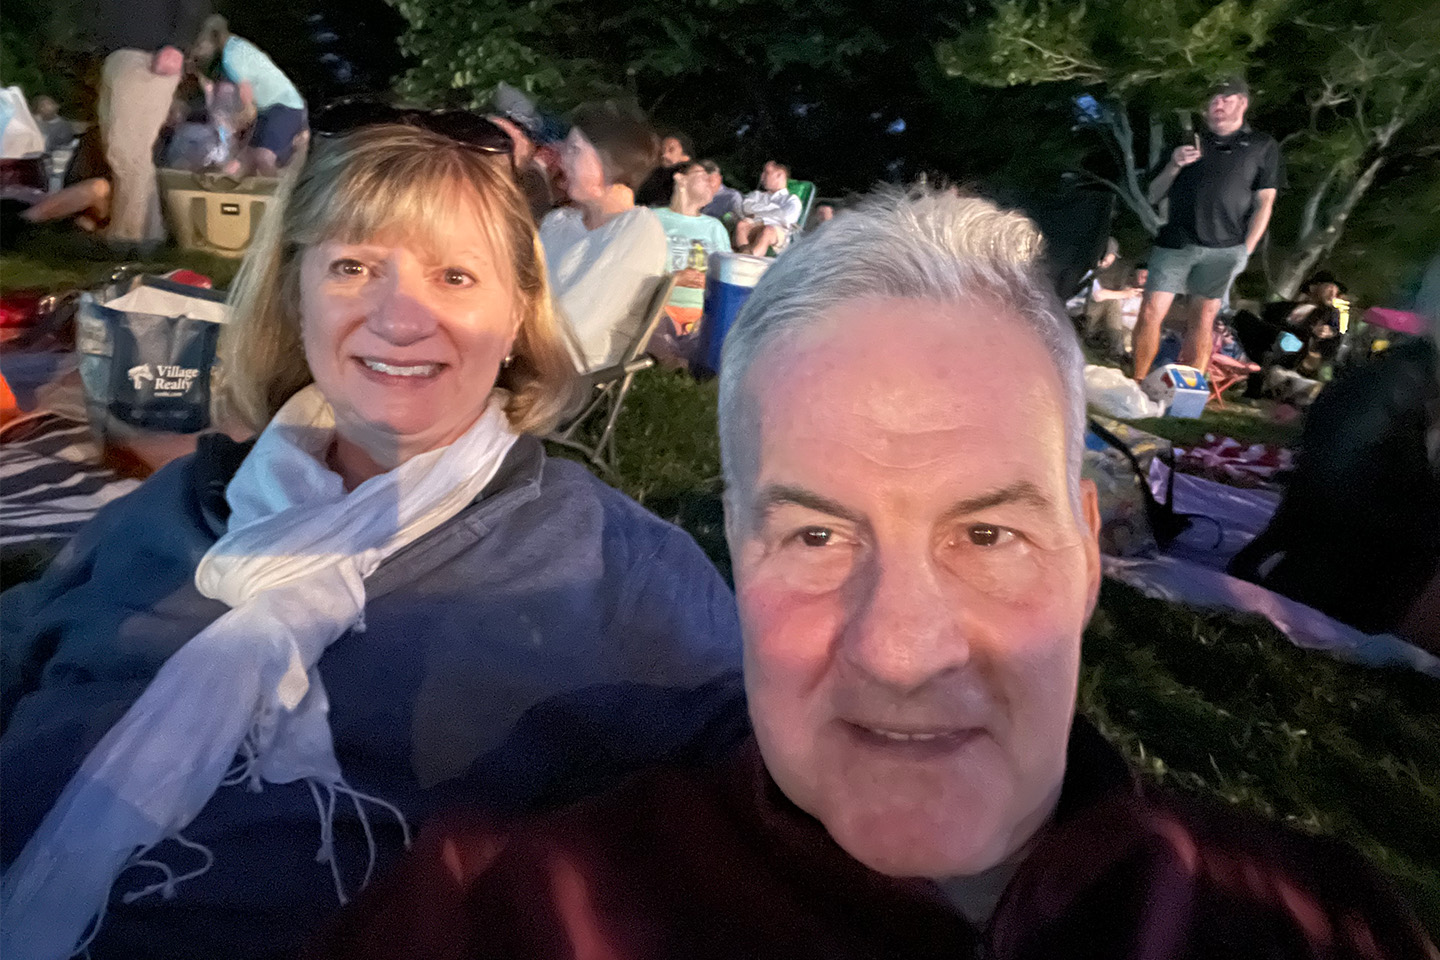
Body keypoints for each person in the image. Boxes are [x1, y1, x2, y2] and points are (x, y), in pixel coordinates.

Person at [308, 187, 1435, 960]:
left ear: (1090, 554)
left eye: (986, 536)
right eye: (817, 538)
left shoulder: (1313, 925)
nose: (899, 648)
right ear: (737, 558)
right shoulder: (506, 916)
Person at [0, 108, 746, 960]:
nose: (398, 318)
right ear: (293, 291)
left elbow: (789, 844)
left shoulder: (614, 578)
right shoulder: (178, 510)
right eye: (354, 266)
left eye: (455, 278)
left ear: (517, 316)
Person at [1133, 77, 1282, 380]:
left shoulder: (1261, 146)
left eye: (1224, 99)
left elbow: (1264, 202)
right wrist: (1174, 165)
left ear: (1242, 102)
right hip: (1176, 241)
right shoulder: (1186, 140)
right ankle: (1137, 382)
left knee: (1203, 320)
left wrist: (1247, 250)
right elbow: (1151, 194)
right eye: (1212, 100)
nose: (1216, 105)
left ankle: (1188, 394)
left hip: (1225, 248)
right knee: (1151, 311)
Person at [539, 104, 668, 371]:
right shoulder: (559, 224)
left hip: (567, 376)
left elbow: (579, 326)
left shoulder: (637, 230)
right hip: (519, 356)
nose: (562, 158)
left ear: (611, 162)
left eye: (575, 149)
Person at [81, 0, 212, 250]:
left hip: (147, 56)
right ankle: (149, 234)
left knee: (127, 151)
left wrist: (178, 46)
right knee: (127, 151)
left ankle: (126, 237)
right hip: (120, 55)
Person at [188, 15, 307, 176]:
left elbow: (247, 103)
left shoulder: (231, 59)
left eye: (201, 45)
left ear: (213, 38)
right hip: (269, 109)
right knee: (243, 161)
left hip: (284, 106)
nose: (199, 51)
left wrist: (235, 123)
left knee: (263, 157)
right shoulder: (235, 46)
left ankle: (275, 196)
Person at [734, 160, 802, 255]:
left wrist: (759, 215)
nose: (762, 177)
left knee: (767, 230)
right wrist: (774, 211)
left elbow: (787, 218)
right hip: (754, 226)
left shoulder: (791, 200)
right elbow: (746, 209)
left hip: (776, 231)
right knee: (741, 224)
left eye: (767, 173)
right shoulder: (756, 195)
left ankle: (751, 259)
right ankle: (746, 254)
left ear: (779, 175)